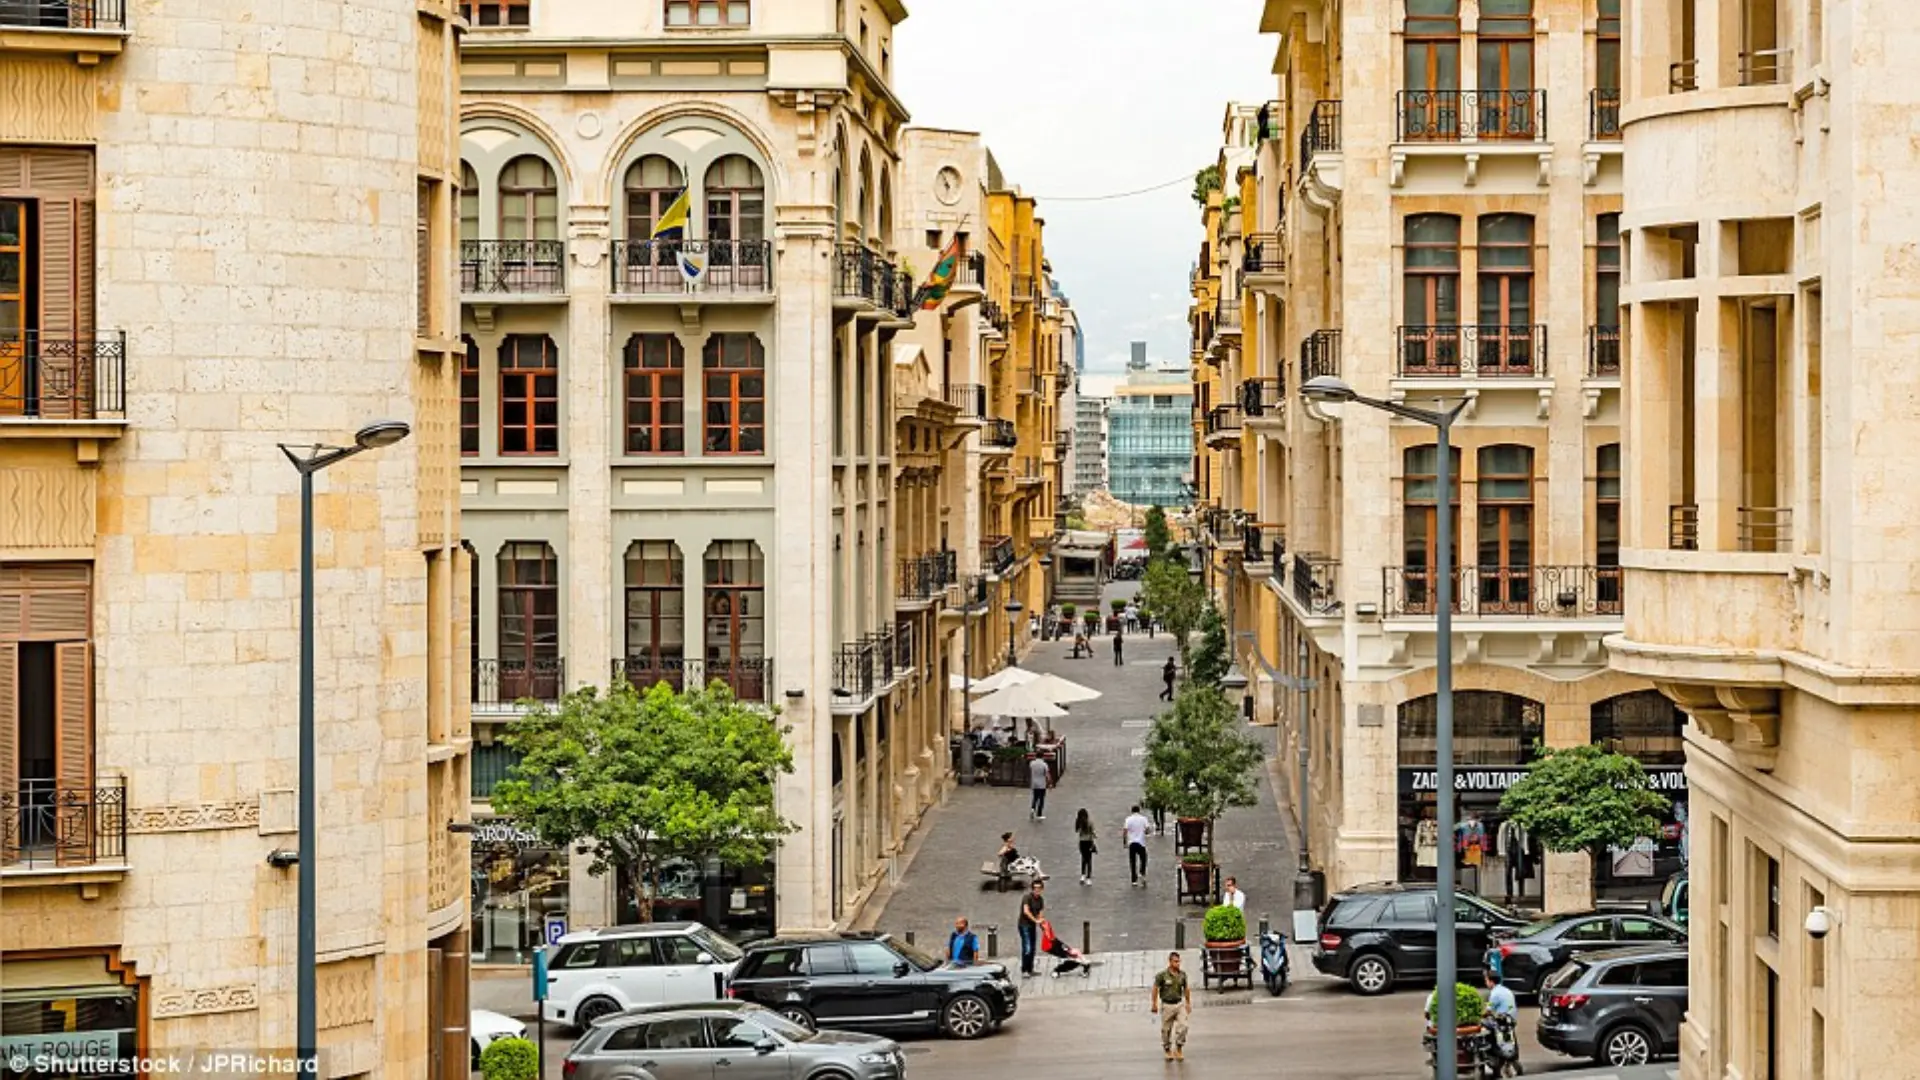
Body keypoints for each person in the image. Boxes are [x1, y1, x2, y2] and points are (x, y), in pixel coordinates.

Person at [1151, 951, 1192, 1061]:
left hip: (1179, 1004)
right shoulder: (1162, 976)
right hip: (1167, 1005)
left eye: (1179, 962)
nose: (1177, 964)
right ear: (1170, 962)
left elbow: (1186, 989)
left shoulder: (1182, 975)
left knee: (1184, 1026)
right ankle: (1167, 1049)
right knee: (1166, 1030)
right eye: (1175, 961)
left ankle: (1178, 1047)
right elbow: (1155, 988)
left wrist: (1188, 1003)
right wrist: (1154, 1003)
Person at [1017, 880, 1046, 976]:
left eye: (1039, 888)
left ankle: (1030, 969)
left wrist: (1042, 922)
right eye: (1035, 888)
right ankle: (1024, 970)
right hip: (1024, 924)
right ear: (1032, 889)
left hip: (1032, 925)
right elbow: (1026, 911)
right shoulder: (1027, 898)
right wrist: (1036, 920)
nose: (1037, 890)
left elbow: (1040, 913)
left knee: (1032, 947)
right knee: (1027, 947)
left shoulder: (1040, 900)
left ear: (1042, 889)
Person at [1123, 804, 1151, 887]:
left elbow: (1125, 831)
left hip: (1132, 843)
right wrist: (1145, 832)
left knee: (1132, 861)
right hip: (1141, 842)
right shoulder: (1143, 819)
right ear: (1139, 810)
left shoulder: (1128, 819)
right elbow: (1148, 830)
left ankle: (1133, 880)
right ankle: (1142, 873)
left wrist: (1125, 842)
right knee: (1143, 859)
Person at [1074, 808, 1098, 885]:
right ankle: (1088, 878)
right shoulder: (1090, 822)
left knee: (1083, 859)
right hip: (1089, 842)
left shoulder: (1078, 822)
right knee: (1089, 860)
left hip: (1081, 842)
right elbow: (1093, 832)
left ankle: (1082, 875)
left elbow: (1077, 831)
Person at [1028, 753, 1052, 821]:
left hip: (1034, 783)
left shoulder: (1032, 763)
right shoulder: (1044, 764)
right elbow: (1047, 774)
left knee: (1035, 798)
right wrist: (1049, 783)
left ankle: (1033, 809)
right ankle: (1039, 814)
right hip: (1041, 784)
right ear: (1042, 757)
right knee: (1041, 799)